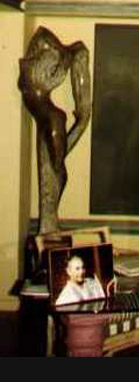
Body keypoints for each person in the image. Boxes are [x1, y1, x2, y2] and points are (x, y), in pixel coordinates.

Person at [18, 27, 91, 234]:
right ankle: (49, 223)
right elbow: (58, 160)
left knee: (57, 168)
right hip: (44, 104)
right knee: (58, 169)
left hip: (43, 100)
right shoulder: (53, 117)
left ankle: (49, 224)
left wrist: (83, 119)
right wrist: (83, 121)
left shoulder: (51, 114)